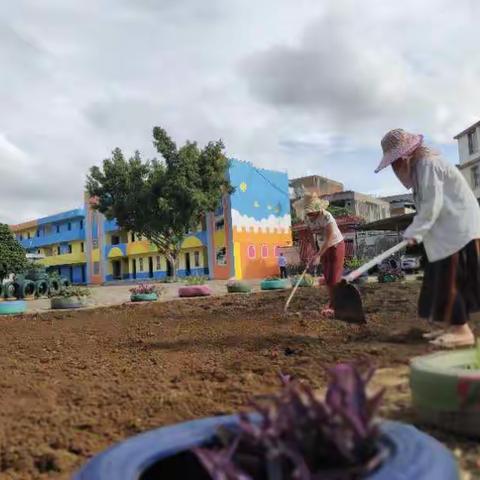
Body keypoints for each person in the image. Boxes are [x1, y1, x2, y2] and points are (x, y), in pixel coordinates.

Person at [375, 128, 480, 348]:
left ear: (403, 157)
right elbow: (428, 206)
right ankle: (451, 327)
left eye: (394, 163)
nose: (394, 169)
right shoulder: (421, 166)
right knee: (438, 279)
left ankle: (462, 332)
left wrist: (415, 231)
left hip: (456, 231)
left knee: (449, 280)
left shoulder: (427, 165)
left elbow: (432, 204)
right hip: (448, 231)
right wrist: (418, 230)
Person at [294, 192, 345, 317]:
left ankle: (337, 306)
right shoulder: (307, 218)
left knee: (334, 277)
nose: (309, 214)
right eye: (307, 212)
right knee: (328, 278)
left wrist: (318, 255)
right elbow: (311, 234)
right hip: (323, 247)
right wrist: (314, 250)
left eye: (311, 212)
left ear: (317, 209)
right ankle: (332, 303)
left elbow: (329, 238)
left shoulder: (327, 217)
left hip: (335, 246)